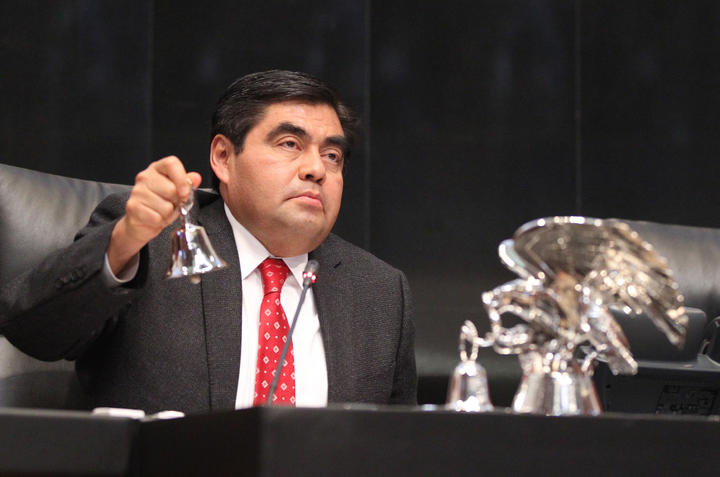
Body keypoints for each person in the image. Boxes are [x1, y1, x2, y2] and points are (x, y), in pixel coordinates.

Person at [0, 70, 416, 414]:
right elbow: (33, 330)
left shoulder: (379, 292)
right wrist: (122, 244)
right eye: (290, 144)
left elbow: (400, 447)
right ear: (223, 158)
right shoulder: (150, 245)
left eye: (332, 156)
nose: (316, 169)